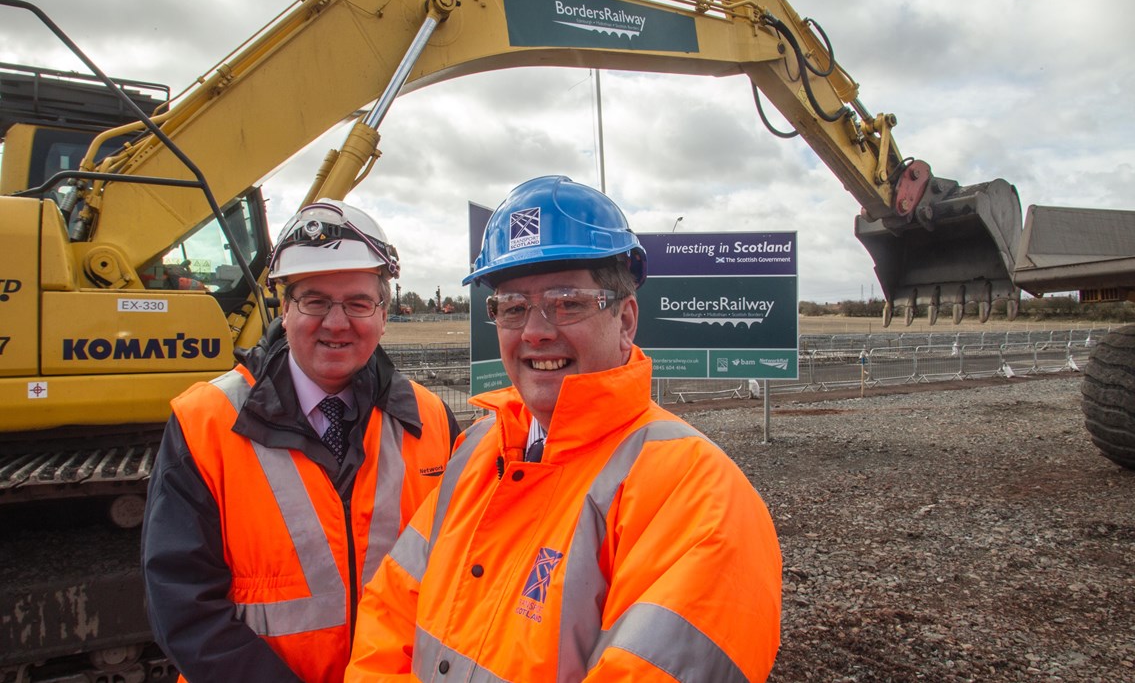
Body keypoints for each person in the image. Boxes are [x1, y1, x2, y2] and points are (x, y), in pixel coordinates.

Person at [346, 176, 782, 681]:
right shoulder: (477, 451)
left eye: (567, 301)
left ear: (625, 320)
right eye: (512, 307)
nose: (535, 331)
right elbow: (389, 616)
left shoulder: (699, 495)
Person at [142, 199, 460, 682]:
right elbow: (182, 602)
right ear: (284, 308)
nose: (336, 322)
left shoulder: (432, 420)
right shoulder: (205, 422)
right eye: (314, 300)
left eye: (357, 303)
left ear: (383, 313)